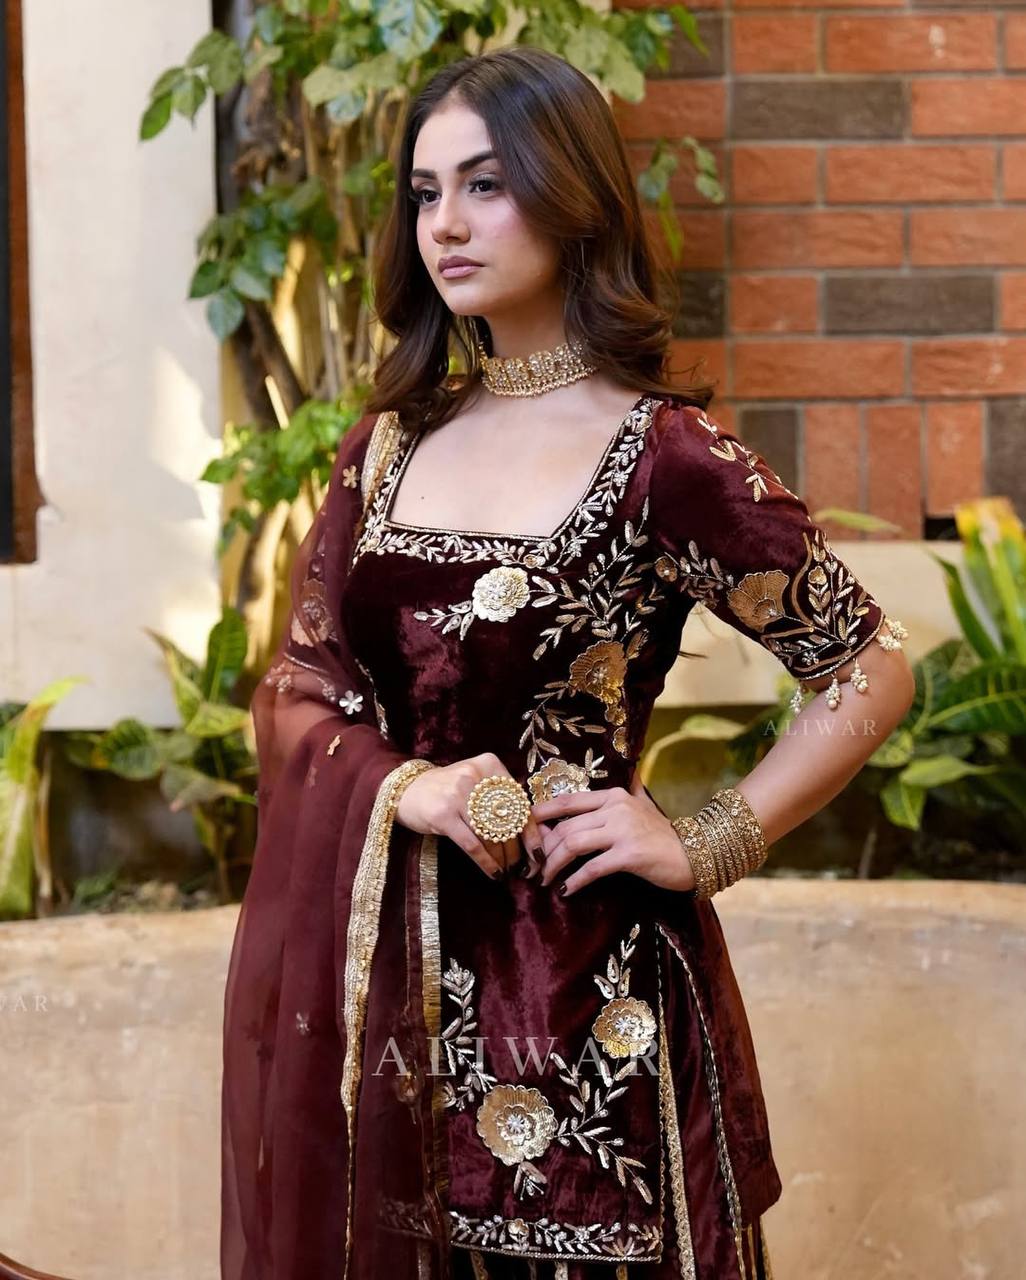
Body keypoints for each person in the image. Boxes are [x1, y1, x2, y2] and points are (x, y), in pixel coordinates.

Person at [219, 45, 916, 1280]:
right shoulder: (386, 446)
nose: (446, 224)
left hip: (593, 1014)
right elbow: (297, 691)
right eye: (426, 192)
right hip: (393, 1015)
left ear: (571, 193)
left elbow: (869, 665)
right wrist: (409, 786)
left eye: (485, 184)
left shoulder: (666, 458)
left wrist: (709, 838)